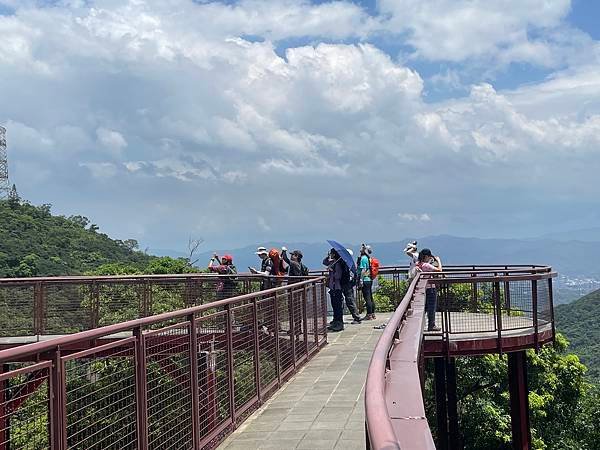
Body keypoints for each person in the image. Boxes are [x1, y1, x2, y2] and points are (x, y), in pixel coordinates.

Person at [416, 248, 443, 332]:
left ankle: (419, 325)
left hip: (422, 289)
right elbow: (439, 270)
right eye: (429, 257)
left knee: (424, 308)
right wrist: (438, 261)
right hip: (430, 288)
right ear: (426, 256)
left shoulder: (418, 264)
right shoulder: (426, 265)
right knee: (431, 307)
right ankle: (431, 325)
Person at [324, 248, 344, 332]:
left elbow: (338, 276)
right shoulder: (333, 262)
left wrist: (331, 270)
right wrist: (327, 256)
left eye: (331, 253)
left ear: (334, 254)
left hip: (337, 288)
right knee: (334, 306)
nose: (331, 255)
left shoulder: (338, 264)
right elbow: (325, 262)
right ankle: (335, 321)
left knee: (337, 306)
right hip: (333, 288)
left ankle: (339, 323)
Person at [358, 244, 376, 320]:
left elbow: (363, 270)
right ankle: (372, 313)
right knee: (370, 297)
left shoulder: (363, 258)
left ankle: (369, 315)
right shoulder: (368, 258)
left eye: (362, 249)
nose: (360, 250)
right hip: (369, 279)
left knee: (367, 298)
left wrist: (361, 280)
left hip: (365, 279)